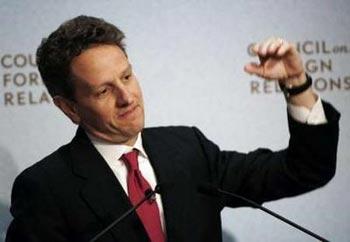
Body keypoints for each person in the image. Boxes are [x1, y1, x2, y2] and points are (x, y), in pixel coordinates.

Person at [6, 15, 339, 242]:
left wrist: (296, 84)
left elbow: (305, 169)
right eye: (104, 90)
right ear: (69, 107)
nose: (128, 97)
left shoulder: (186, 148)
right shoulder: (45, 188)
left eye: (127, 76)